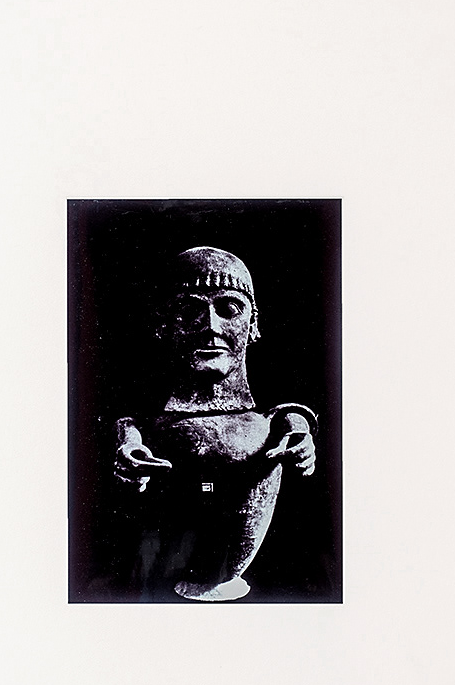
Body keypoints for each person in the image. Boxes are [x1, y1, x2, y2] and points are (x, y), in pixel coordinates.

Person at [113, 246, 317, 601]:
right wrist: (129, 449)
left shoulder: (269, 424)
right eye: (189, 310)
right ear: (164, 324)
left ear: (252, 324)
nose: (210, 326)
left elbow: (289, 419)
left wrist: (300, 431)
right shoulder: (152, 429)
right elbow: (130, 430)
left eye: (229, 309)